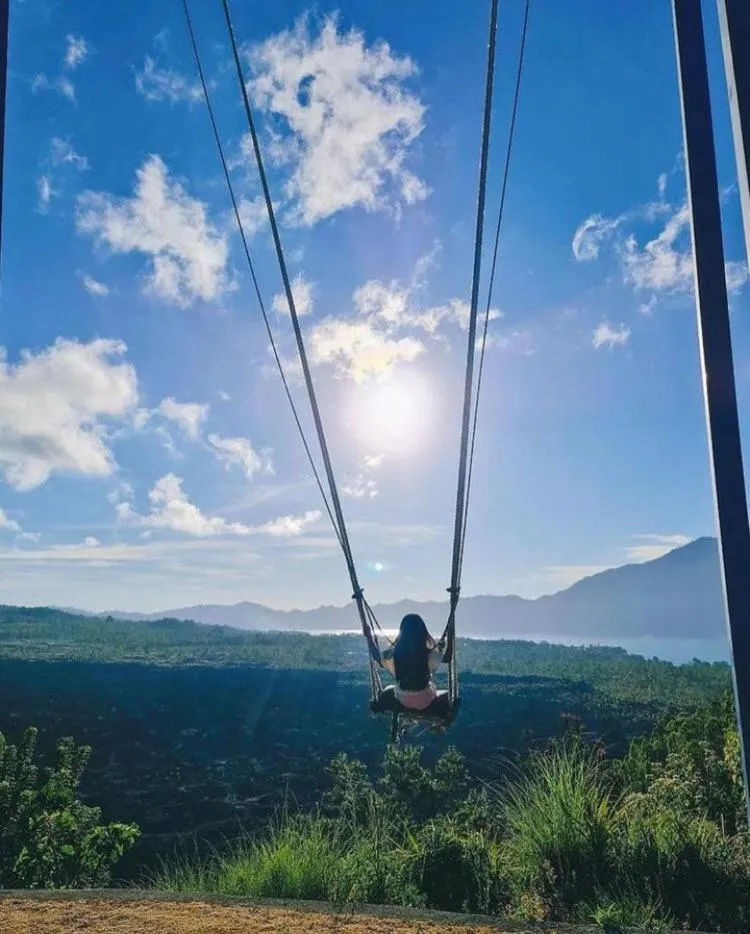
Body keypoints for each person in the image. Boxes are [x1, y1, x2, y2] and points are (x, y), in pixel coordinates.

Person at [371, 613, 456, 722]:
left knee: (388, 689)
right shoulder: (427, 654)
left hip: (402, 699)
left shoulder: (396, 652)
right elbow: (447, 658)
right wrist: (450, 636)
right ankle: (442, 724)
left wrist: (369, 637)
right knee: (451, 697)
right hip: (425, 699)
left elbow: (376, 656)